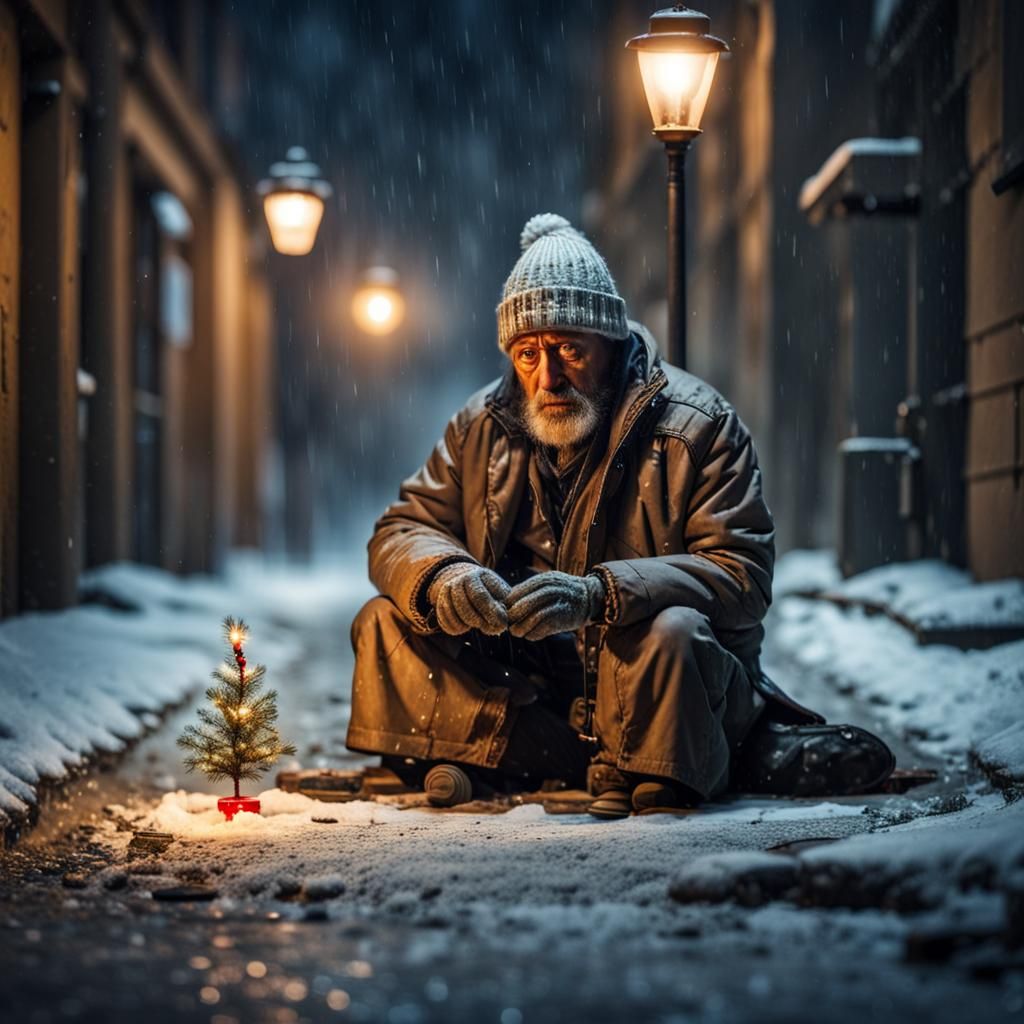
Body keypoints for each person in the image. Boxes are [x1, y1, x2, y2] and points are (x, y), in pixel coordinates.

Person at [346, 213, 893, 819]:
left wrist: (601, 596)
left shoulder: (698, 426)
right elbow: (401, 530)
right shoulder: (480, 426)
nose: (548, 377)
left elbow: (742, 576)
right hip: (532, 700)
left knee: (673, 633)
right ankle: (634, 764)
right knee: (385, 622)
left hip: (655, 687)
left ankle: (513, 757)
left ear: (609, 342)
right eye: (527, 354)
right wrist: (442, 576)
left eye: (569, 350)